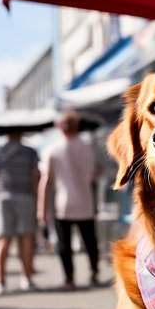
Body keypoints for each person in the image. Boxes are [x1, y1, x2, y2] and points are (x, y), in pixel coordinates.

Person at [38, 111, 100, 290]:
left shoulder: (53, 150)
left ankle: (69, 278)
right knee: (90, 240)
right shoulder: (88, 146)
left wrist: (41, 210)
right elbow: (96, 173)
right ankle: (94, 271)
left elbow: (46, 182)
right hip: (86, 201)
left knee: (64, 243)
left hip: (63, 204)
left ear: (59, 127)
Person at [0, 131, 39, 295]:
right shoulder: (30, 152)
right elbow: (35, 177)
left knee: (3, 239)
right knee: (26, 238)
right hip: (25, 196)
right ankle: (27, 278)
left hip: (3, 195)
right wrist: (37, 200)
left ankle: (0, 281)